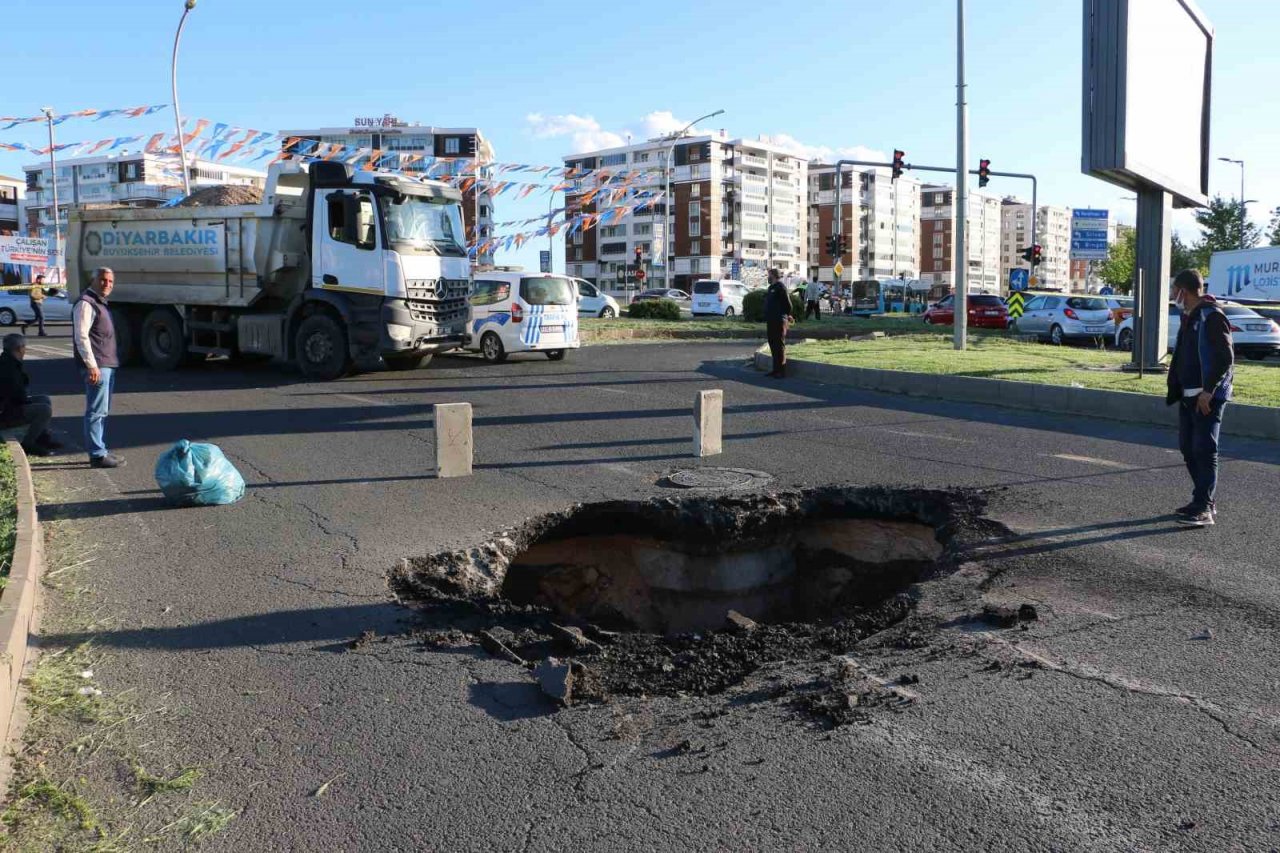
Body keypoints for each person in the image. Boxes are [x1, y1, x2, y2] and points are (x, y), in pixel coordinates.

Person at [1165, 269, 1233, 527]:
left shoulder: (1211, 316)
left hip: (1207, 397)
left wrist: (1209, 391)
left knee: (1205, 450)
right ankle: (1201, 500)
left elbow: (1225, 358)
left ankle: (1204, 508)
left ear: (1184, 290)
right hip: (1188, 396)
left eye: (1174, 290)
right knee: (1188, 448)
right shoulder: (1190, 316)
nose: (1173, 295)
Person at [73, 267, 125, 469]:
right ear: (93, 280)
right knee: (96, 411)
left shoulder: (99, 303)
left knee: (102, 410)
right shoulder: (86, 303)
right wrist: (92, 365)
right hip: (98, 365)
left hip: (107, 364)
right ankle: (96, 454)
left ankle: (100, 449)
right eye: (103, 280)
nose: (108, 284)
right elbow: (81, 336)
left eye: (111, 281)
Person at [0, 333, 62, 457]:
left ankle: (42, 438)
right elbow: (16, 394)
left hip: (9, 405)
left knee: (44, 399)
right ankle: (28, 443)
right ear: (19, 348)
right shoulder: (9, 367)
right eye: (24, 347)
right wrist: (26, 401)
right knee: (44, 410)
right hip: (5, 412)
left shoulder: (8, 361)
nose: (25, 350)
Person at [763, 268, 793, 379]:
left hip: (779, 320)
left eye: (769, 275)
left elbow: (788, 305)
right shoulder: (771, 288)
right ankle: (775, 370)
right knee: (772, 344)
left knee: (779, 345)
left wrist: (785, 315)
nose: (768, 277)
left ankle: (782, 371)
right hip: (770, 320)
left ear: (774, 276)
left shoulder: (781, 287)